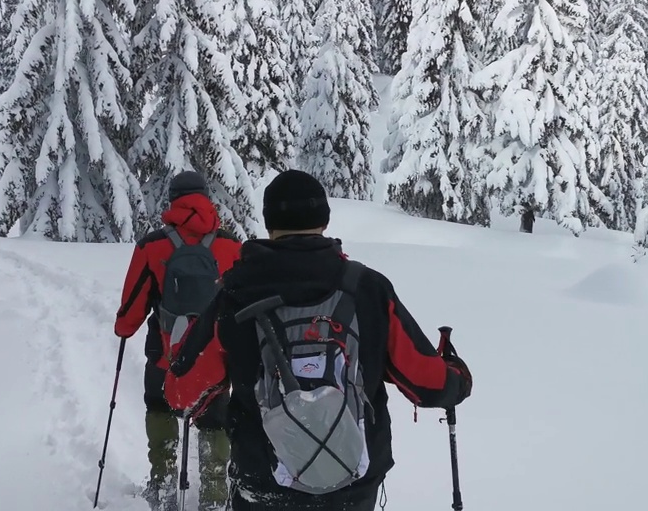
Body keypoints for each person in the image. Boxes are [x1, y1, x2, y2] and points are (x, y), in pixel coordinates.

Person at [163, 170, 473, 511]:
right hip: (353, 485)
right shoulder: (367, 288)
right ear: (324, 221)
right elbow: (429, 385)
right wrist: (457, 377)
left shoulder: (234, 293)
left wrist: (186, 352)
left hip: (264, 485)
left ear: (268, 224)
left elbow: (184, 392)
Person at [115, 171, 242, 511]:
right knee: (215, 419)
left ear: (172, 201)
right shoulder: (230, 246)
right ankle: (215, 493)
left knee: (158, 407)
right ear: (206, 198)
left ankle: (163, 483)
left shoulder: (152, 245)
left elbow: (132, 307)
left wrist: (124, 328)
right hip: (213, 360)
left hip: (164, 355)